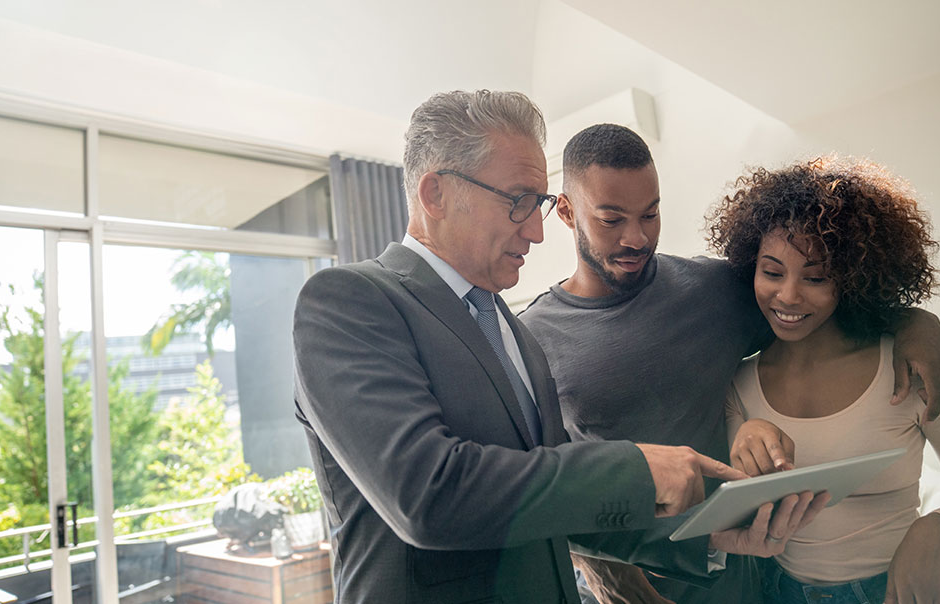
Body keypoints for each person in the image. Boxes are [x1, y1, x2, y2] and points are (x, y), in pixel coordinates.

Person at [292, 91, 825, 604]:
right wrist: (637, 470)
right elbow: (428, 495)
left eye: (539, 204)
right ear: (436, 195)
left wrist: (702, 538)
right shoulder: (348, 301)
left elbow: (554, 509)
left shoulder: (512, 331)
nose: (539, 233)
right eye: (519, 203)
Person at [519, 125, 940, 604]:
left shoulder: (716, 288)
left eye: (651, 213)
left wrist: (918, 321)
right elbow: (546, 485)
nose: (637, 237)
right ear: (565, 211)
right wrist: (613, 581)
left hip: (751, 577)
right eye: (611, 220)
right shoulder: (530, 340)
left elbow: (821, 298)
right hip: (634, 585)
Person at [710, 156, 940, 603]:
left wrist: (936, 530)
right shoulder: (739, 384)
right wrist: (745, 438)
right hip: (774, 592)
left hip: (893, 591)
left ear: (853, 279)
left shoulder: (909, 367)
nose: (787, 295)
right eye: (771, 272)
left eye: (816, 277)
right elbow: (742, 516)